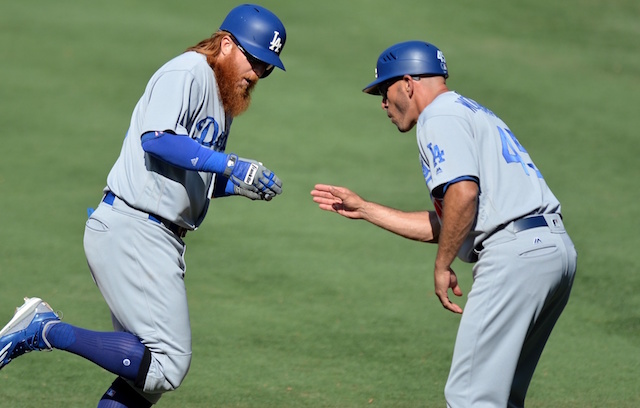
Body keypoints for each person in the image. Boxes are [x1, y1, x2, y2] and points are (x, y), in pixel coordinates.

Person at [0, 4, 287, 407]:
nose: (257, 74)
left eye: (267, 68)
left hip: (148, 233)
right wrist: (232, 163)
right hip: (135, 229)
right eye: (254, 60)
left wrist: (234, 183)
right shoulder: (187, 72)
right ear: (225, 44)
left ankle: (44, 330)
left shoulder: (222, 98)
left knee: (144, 381)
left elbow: (188, 173)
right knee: (168, 364)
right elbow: (157, 139)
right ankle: (45, 329)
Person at [311, 41, 577, 407]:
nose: (383, 104)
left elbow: (463, 195)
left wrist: (442, 263)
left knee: (470, 398)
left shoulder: (438, 116)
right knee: (502, 397)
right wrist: (366, 209)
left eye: (384, 91)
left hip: (514, 256)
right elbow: (455, 219)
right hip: (552, 251)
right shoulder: (471, 111)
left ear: (407, 83)